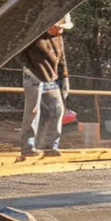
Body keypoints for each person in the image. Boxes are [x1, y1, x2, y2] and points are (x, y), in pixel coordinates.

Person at [18, 15, 72, 158]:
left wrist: (65, 77)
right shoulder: (33, 36)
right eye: (60, 27)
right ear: (51, 25)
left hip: (51, 77)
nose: (61, 30)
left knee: (58, 109)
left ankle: (51, 145)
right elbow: (19, 53)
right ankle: (27, 146)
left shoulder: (58, 38)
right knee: (33, 111)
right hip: (33, 74)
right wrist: (29, 66)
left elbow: (62, 58)